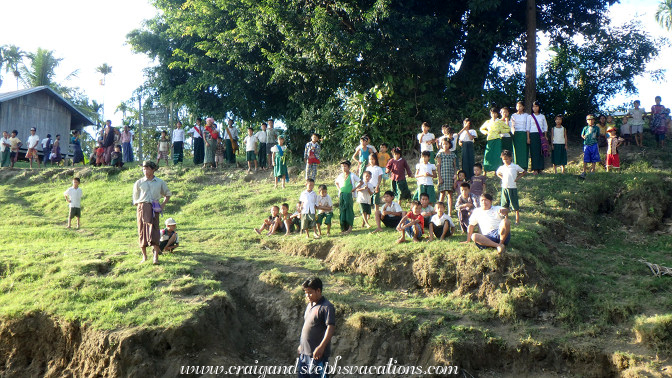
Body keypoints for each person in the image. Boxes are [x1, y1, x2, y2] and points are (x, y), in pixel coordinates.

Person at [133, 160, 172, 265]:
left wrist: (162, 205)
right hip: (142, 207)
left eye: (147, 168)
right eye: (144, 168)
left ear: (153, 169)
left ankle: (155, 257)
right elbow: (135, 199)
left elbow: (167, 194)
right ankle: (144, 256)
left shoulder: (159, 182)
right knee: (142, 230)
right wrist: (142, 207)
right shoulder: (139, 182)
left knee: (154, 230)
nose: (145, 171)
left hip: (154, 208)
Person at [297, 277, 336, 378]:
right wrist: (301, 346)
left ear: (318, 291)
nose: (307, 296)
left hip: (317, 355)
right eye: (306, 293)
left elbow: (330, 328)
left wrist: (321, 347)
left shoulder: (326, 307)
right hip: (304, 355)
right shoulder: (309, 306)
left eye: (310, 293)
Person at [496, 150, 525, 224]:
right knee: (505, 204)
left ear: (510, 158)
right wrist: (502, 178)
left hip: (512, 187)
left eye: (506, 159)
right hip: (504, 187)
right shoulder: (502, 167)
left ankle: (517, 219)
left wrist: (517, 178)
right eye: (503, 159)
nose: (505, 161)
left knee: (514, 203)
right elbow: (497, 173)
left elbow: (524, 172)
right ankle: (506, 219)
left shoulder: (515, 166)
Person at [479, 107, 510, 175]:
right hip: (490, 139)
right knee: (488, 154)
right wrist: (486, 132)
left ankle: (497, 170)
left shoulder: (499, 122)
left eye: (495, 113)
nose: (494, 115)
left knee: (497, 155)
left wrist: (501, 131)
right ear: (490, 114)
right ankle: (486, 170)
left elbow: (508, 129)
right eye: (492, 113)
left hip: (498, 140)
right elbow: (481, 129)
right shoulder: (488, 122)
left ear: (497, 114)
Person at [334, 160, 360, 234]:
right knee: (342, 210)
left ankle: (350, 228)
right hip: (342, 195)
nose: (343, 168)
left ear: (349, 167)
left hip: (349, 195)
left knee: (349, 211)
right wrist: (339, 189)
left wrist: (354, 189)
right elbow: (336, 182)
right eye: (342, 166)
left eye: (345, 166)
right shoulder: (340, 175)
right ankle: (343, 228)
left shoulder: (352, 175)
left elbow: (360, 182)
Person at [435, 137, 457, 213]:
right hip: (443, 176)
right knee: (442, 193)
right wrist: (439, 178)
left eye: (446, 144)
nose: (445, 145)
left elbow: (455, 166)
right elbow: (438, 166)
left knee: (450, 194)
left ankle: (449, 212)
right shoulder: (440, 154)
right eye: (443, 144)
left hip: (450, 176)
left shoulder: (453, 155)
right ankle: (439, 211)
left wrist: (455, 176)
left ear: (450, 145)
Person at [527, 101, 548, 174]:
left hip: (541, 135)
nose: (535, 108)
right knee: (534, 152)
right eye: (533, 106)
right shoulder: (530, 117)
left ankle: (540, 168)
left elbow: (545, 126)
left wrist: (545, 136)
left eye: (536, 106)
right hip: (533, 135)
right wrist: (528, 138)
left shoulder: (542, 116)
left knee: (541, 152)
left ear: (539, 107)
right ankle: (535, 169)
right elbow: (528, 128)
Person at [511, 101, 530, 171]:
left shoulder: (527, 115)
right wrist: (513, 131)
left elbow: (528, 125)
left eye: (520, 106)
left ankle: (524, 167)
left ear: (523, 107)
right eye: (517, 106)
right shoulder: (513, 115)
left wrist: (528, 136)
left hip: (524, 133)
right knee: (516, 151)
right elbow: (512, 125)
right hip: (516, 134)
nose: (519, 108)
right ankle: (517, 168)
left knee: (524, 151)